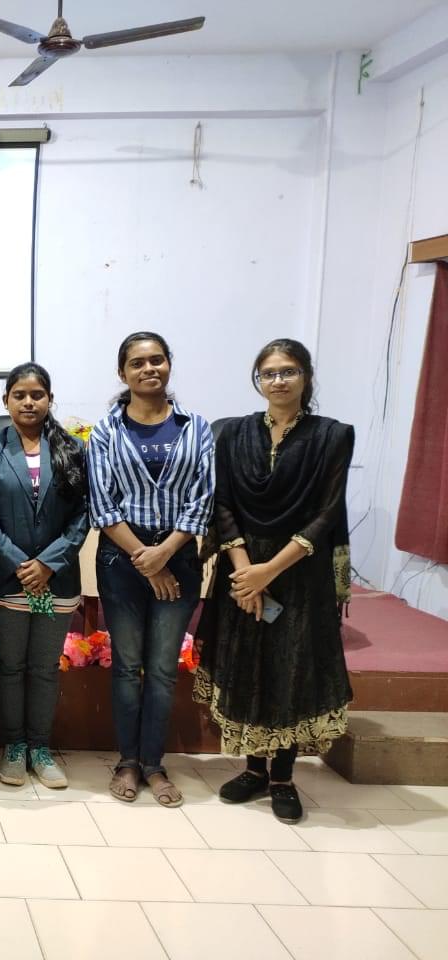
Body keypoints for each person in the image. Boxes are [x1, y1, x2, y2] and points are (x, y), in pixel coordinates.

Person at [194, 339, 354, 824]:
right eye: (269, 373)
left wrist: (269, 571)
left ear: (306, 376)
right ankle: (253, 770)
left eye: (288, 371)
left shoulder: (332, 435)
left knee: (289, 667)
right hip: (241, 568)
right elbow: (223, 502)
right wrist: (245, 570)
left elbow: (327, 512)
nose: (278, 380)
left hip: (299, 570)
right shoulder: (233, 433)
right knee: (246, 661)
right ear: (258, 380)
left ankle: (282, 777)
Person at [87, 331, 214, 807]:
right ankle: (127, 761)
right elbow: (102, 502)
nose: (148, 369)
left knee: (161, 668)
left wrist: (165, 553)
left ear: (169, 365)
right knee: (126, 665)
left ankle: (154, 764)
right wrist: (147, 559)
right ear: (122, 373)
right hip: (122, 558)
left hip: (179, 556)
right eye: (137, 363)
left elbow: (204, 497)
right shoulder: (106, 431)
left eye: (157, 360)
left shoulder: (196, 427)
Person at [0, 363, 89, 790]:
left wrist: (48, 563)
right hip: (8, 579)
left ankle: (40, 748)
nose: (29, 402)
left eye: (37, 394)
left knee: (44, 668)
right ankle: (14, 747)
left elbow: (83, 514)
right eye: (19, 395)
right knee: (11, 666)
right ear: (6, 401)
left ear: (50, 399)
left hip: (57, 580)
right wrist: (21, 563)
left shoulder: (72, 448)